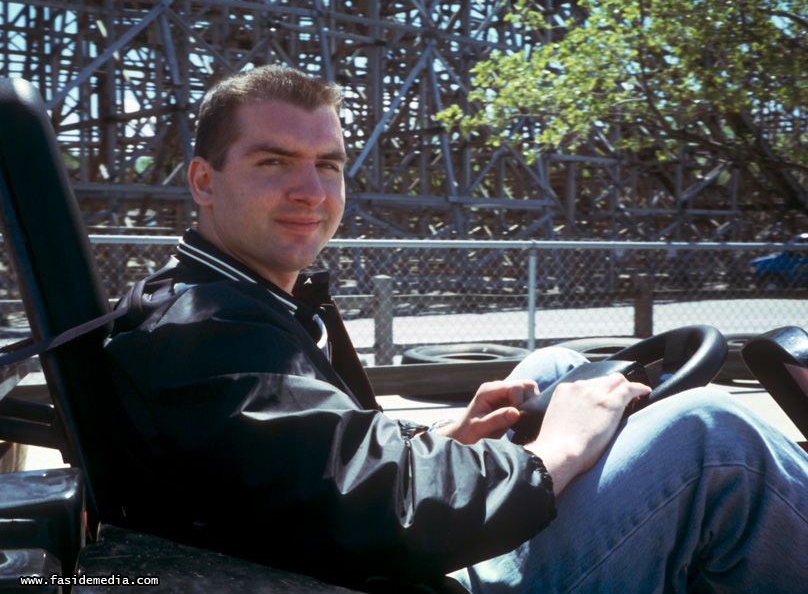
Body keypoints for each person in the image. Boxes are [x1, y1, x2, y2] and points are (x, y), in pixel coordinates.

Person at [104, 65, 808, 592]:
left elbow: (296, 469)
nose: (312, 192)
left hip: (341, 553)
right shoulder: (206, 326)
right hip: (398, 576)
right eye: (273, 162)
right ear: (203, 180)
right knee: (716, 438)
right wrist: (554, 451)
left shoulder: (227, 299)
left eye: (328, 165)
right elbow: (375, 510)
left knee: (557, 365)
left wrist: (443, 440)